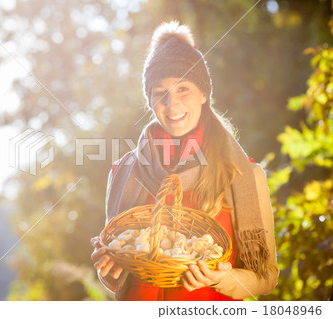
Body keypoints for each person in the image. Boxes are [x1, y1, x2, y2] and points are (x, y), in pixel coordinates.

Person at [90, 21, 279, 301]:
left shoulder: (243, 175)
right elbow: (121, 278)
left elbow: (266, 277)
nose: (171, 104)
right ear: (151, 102)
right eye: (160, 94)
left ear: (204, 94)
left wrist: (223, 279)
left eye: (183, 89)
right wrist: (109, 267)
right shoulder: (123, 173)